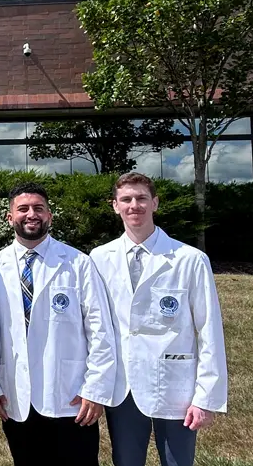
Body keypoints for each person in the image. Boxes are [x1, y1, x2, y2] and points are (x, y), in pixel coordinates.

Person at [90, 172, 228, 466]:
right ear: (115, 206)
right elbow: (95, 326)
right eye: (126, 199)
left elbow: (209, 330)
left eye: (141, 198)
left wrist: (205, 397)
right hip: (123, 386)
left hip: (176, 386)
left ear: (155, 203)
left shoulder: (189, 259)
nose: (134, 206)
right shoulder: (99, 258)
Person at [0, 182, 116, 466]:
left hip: (70, 398)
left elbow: (100, 330)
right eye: (23, 209)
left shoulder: (78, 263)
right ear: (10, 217)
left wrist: (95, 389)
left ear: (49, 216)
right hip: (17, 398)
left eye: (39, 208)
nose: (31, 214)